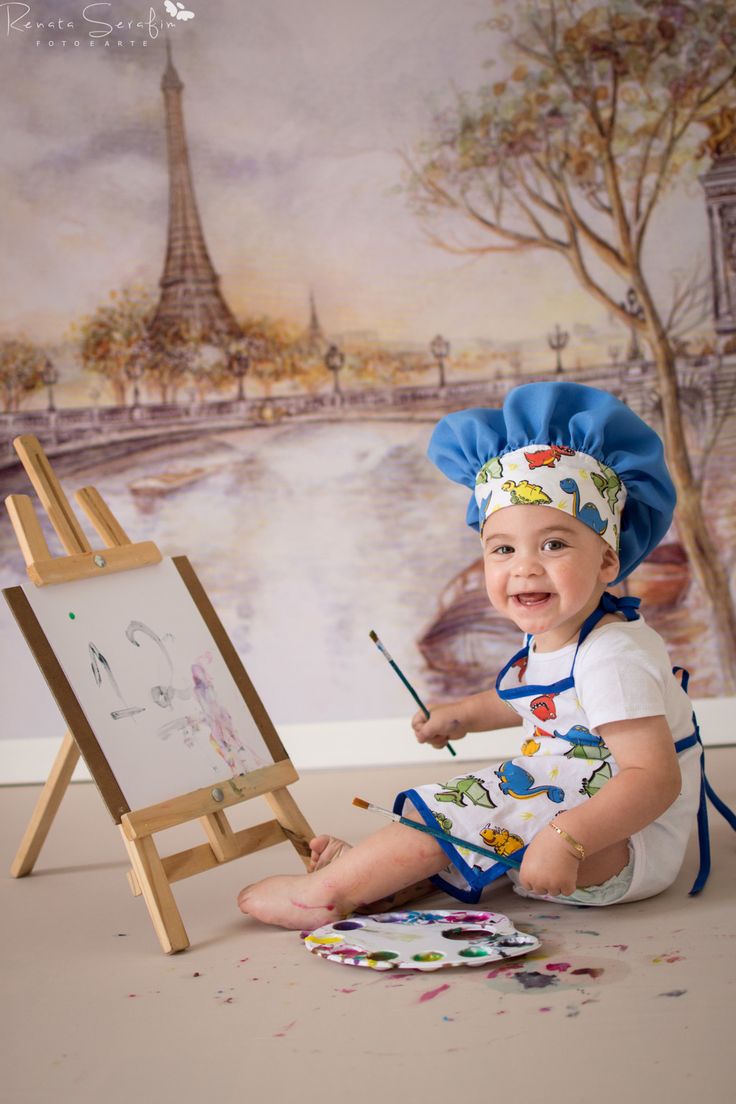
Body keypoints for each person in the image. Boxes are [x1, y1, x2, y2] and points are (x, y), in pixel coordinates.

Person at [237, 382, 734, 929]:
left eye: (554, 544)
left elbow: (652, 779)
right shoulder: (560, 634)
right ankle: (393, 878)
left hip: (621, 844)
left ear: (607, 562)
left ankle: (326, 892)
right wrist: (460, 717)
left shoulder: (612, 655)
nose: (524, 566)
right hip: (573, 807)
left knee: (470, 802)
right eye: (503, 548)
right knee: (484, 805)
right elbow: (532, 701)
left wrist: (568, 839)